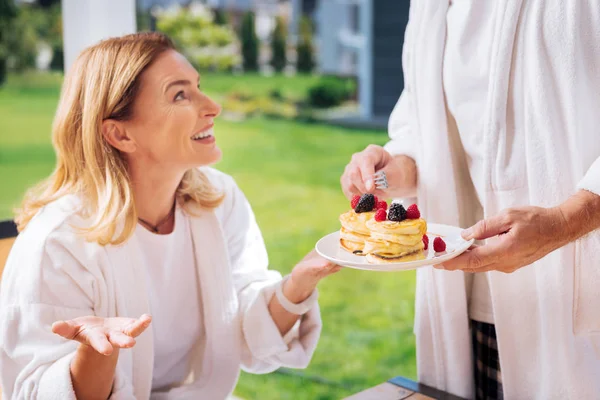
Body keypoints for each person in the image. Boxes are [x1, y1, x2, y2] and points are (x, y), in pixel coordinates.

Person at [0, 32, 340, 399]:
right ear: (119, 133)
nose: (212, 106)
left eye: (198, 86)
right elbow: (35, 389)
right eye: (180, 95)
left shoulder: (219, 201)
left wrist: (297, 287)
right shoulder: (58, 243)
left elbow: (243, 327)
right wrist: (96, 353)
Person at [341, 2, 600, 399]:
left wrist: (566, 221)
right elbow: (426, 129)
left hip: (580, 303)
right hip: (475, 305)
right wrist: (388, 172)